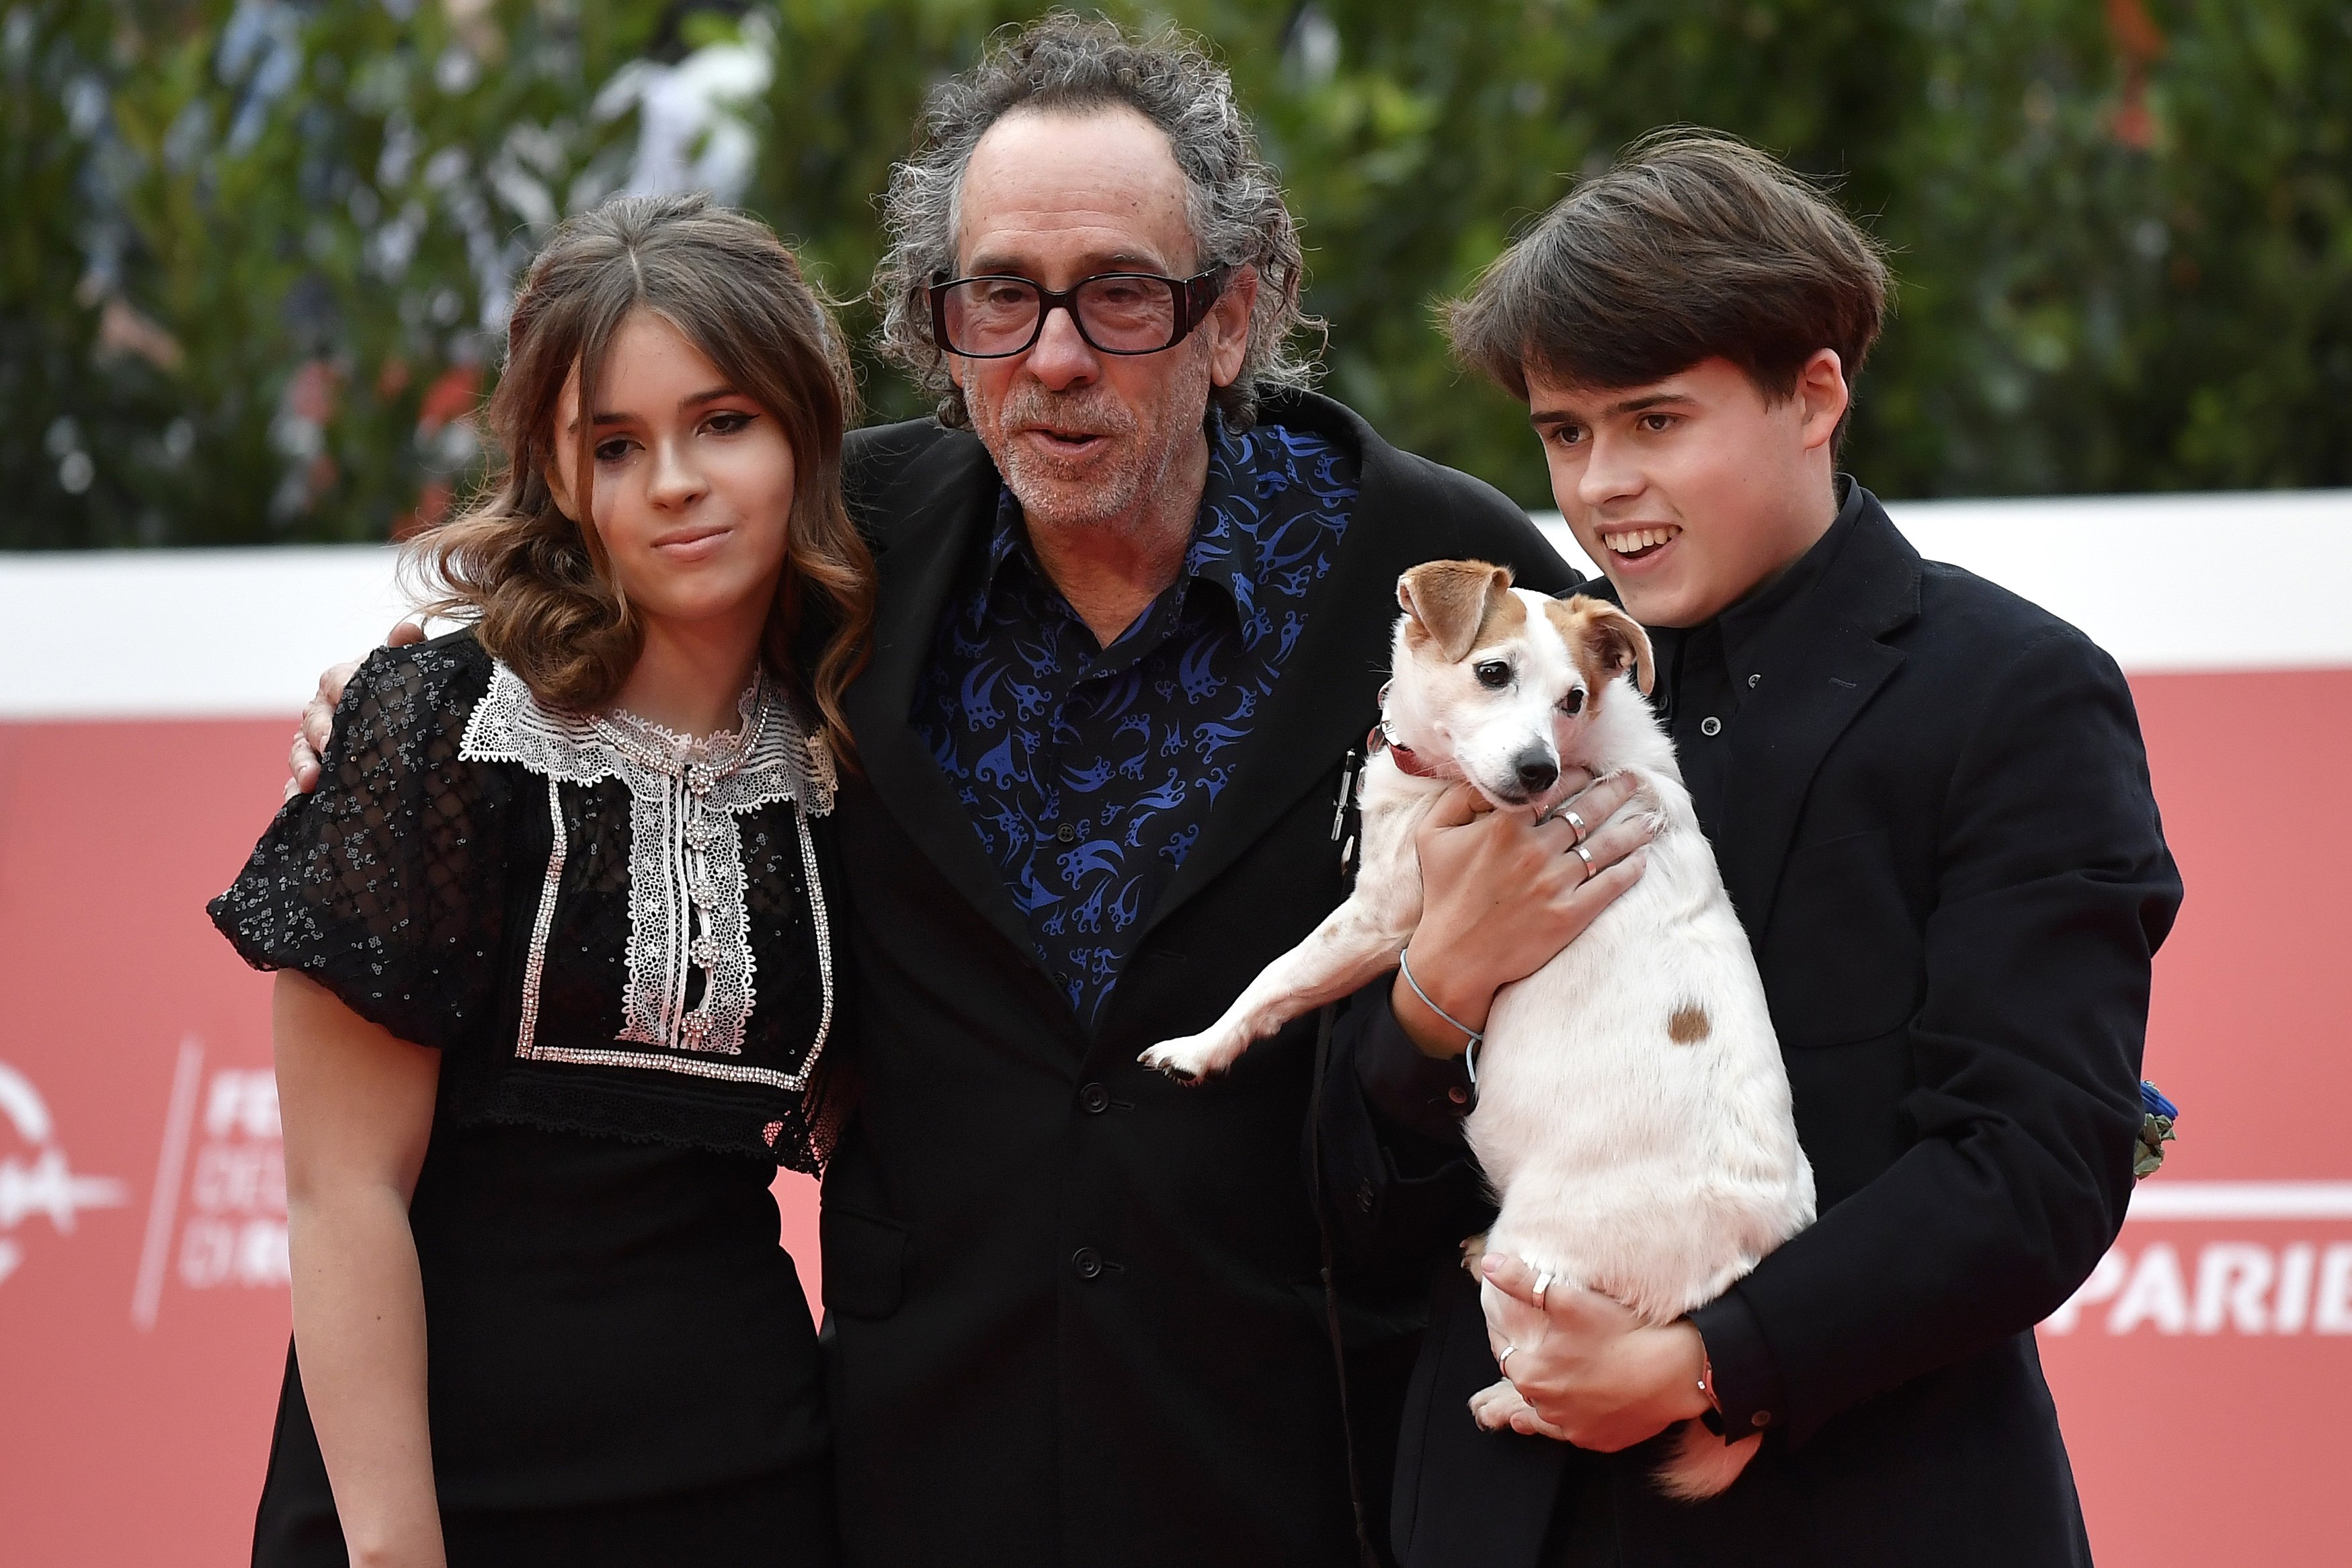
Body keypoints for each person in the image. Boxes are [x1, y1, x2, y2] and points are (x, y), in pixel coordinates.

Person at [292, 18, 1657, 1566]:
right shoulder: (837, 545)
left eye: (1120, 294)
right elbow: (599, 622)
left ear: (1237, 314)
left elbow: (1642, 970)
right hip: (917, 1467)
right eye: (1001, 295)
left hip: (1305, 1462)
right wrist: (405, 698)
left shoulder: (1447, 593)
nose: (1054, 355)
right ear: (940, 329)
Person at [1365, 133, 2185, 1567]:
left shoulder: (2010, 691)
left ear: (1814, 392)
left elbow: (2035, 1163)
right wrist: (1429, 996)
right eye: (1565, 433)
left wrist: (1709, 1363)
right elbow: (1350, 1172)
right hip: (1503, 1516)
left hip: (1868, 1511)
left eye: (1655, 421)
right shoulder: (1511, 690)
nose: (1602, 484)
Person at [218, 194, 870, 1567]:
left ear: (808, 430)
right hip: (453, 1498)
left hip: (752, 1486)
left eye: (724, 423)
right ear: (558, 476)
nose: (676, 481)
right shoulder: (438, 723)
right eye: (616, 446)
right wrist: (396, 1551)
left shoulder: (846, 757)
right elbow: (345, 1197)